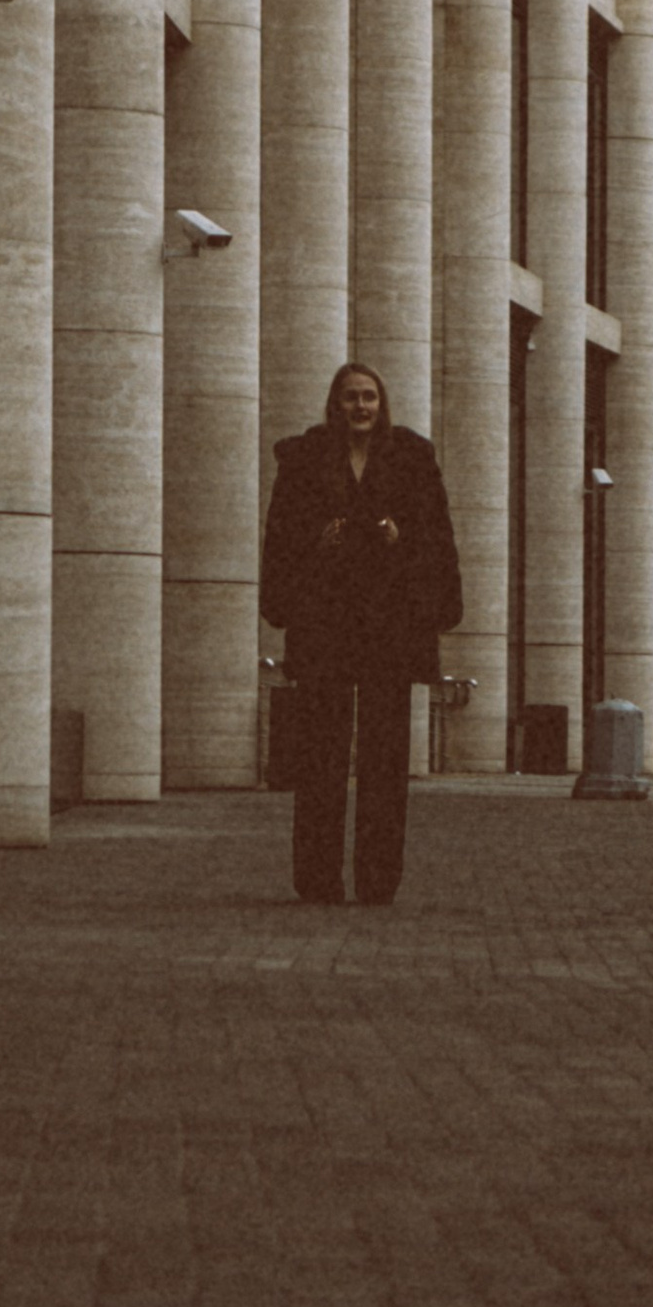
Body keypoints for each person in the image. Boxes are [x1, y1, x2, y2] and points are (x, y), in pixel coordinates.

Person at [260, 363, 462, 907]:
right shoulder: (305, 459)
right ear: (336, 403)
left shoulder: (412, 459)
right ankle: (317, 879)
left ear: (381, 403)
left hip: (387, 629)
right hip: (326, 626)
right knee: (320, 758)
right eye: (351, 397)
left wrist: (401, 538)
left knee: (385, 761)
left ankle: (378, 880)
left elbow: (436, 537)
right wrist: (318, 542)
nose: (361, 406)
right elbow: (281, 538)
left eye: (369, 396)